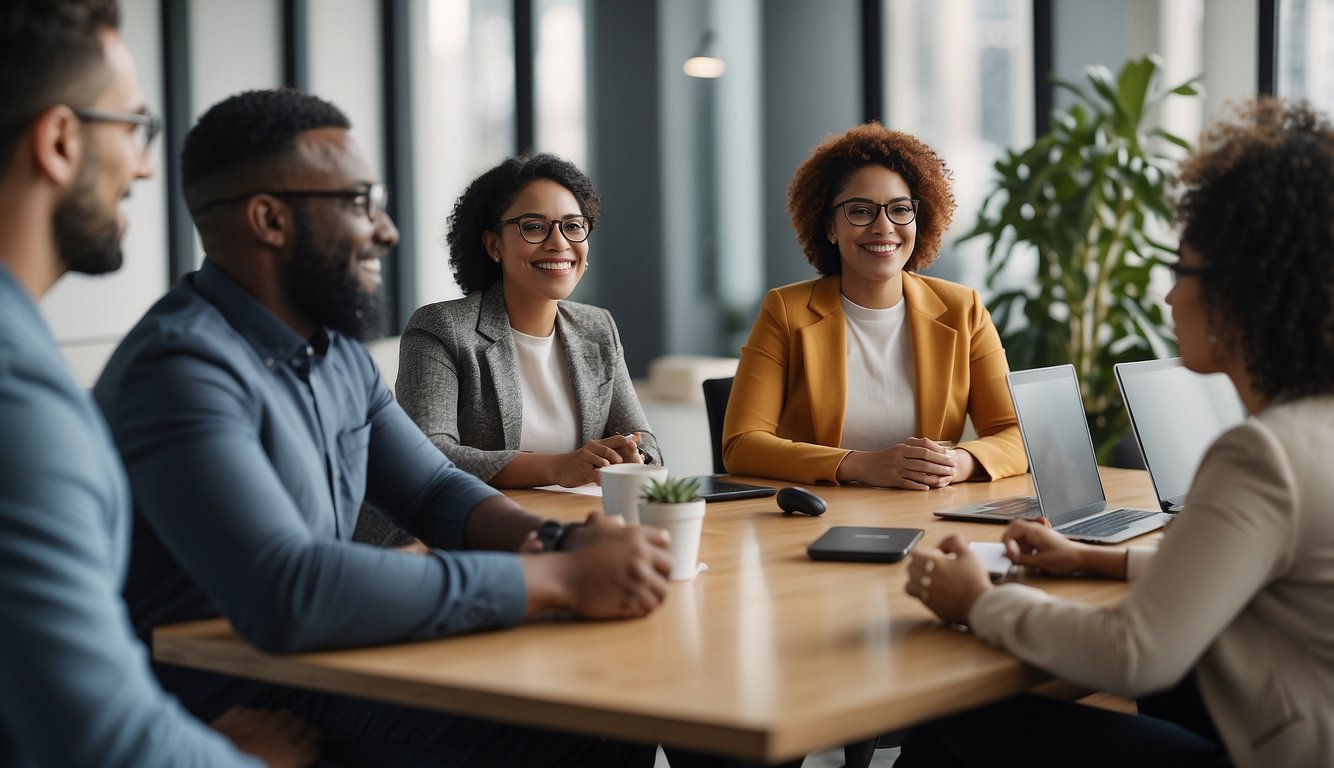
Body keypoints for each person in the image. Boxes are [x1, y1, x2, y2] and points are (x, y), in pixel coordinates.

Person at [94, 88, 671, 767]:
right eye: (359, 202)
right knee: (583, 723)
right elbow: (291, 589)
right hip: (226, 696)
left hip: (320, 662)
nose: (387, 230)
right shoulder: (183, 368)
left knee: (611, 703)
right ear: (269, 219)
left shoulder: (334, 352)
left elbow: (433, 492)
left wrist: (556, 539)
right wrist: (562, 581)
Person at [899, 98, 1334, 767]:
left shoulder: (1263, 454)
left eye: (1181, 271)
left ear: (1240, 292)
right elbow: (1240, 568)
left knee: (949, 715)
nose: (1167, 298)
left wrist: (980, 602)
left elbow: (1135, 654)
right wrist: (1089, 557)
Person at [0, 2, 315, 766]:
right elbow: (99, 739)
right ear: (61, 140)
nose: (145, 166)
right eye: (135, 128)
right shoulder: (24, 399)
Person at [722, 123, 1027, 489]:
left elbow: (1015, 433)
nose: (884, 227)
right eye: (861, 211)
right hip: (819, 521)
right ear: (831, 228)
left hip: (930, 516)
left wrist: (954, 463)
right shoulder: (785, 311)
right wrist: (861, 466)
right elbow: (741, 444)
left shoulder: (964, 310)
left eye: (900, 209)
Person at [397, 154, 661, 488]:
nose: (559, 243)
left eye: (573, 225)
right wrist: (557, 468)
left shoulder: (597, 328)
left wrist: (633, 455)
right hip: (466, 528)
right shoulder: (442, 327)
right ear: (494, 245)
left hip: (578, 522)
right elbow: (426, 456)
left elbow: (647, 441)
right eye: (534, 227)